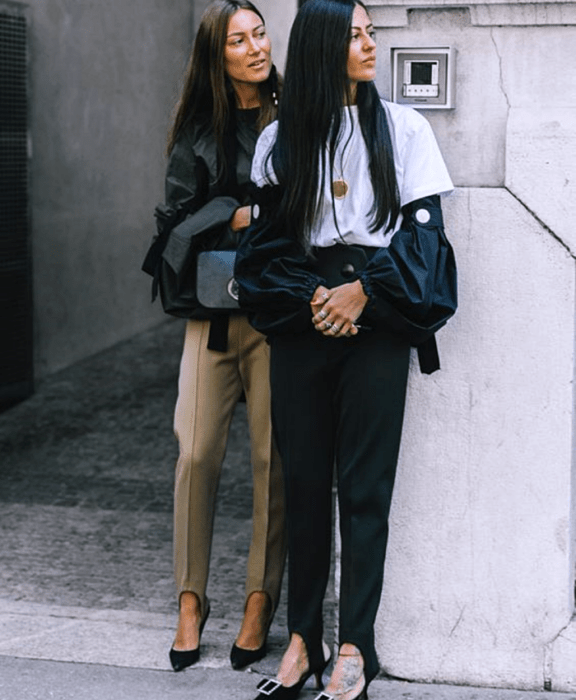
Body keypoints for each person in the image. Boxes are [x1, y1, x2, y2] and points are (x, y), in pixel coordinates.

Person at [234, 0, 454, 698]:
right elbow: (264, 249)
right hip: (304, 320)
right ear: (326, 46)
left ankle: (356, 643)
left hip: (378, 319)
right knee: (302, 483)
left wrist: (362, 292)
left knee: (364, 489)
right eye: (356, 35)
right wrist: (312, 300)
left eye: (372, 32)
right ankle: (303, 638)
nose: (369, 45)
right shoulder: (281, 140)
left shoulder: (406, 129)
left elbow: (424, 242)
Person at [160, 0, 286, 673]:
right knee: (196, 454)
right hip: (211, 317)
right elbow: (175, 226)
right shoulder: (198, 132)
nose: (255, 47)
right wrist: (233, 215)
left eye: (260, 33)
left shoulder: (296, 114)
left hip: (275, 314)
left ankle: (259, 599)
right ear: (218, 54)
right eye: (238, 40)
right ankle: (189, 599)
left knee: (273, 463)